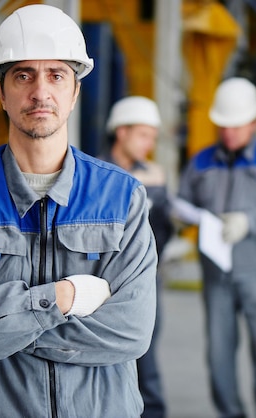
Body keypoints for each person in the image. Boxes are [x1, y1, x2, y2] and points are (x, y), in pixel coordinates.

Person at [0, 5, 157, 417]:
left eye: (56, 75)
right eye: (23, 75)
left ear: (75, 92)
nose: (40, 92)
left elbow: (130, 332)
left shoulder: (122, 196)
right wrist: (63, 298)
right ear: (1, 92)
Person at [175, 77, 256, 418]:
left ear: (254, 122)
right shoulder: (200, 163)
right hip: (215, 278)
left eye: (236, 125)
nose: (228, 133)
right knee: (218, 357)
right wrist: (181, 227)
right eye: (223, 126)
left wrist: (250, 222)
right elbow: (183, 204)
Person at [100, 96, 174, 418]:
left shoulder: (155, 175)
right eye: (143, 135)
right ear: (122, 132)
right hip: (102, 287)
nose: (149, 144)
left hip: (146, 283)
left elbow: (165, 225)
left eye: (152, 137)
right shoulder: (95, 173)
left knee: (147, 358)